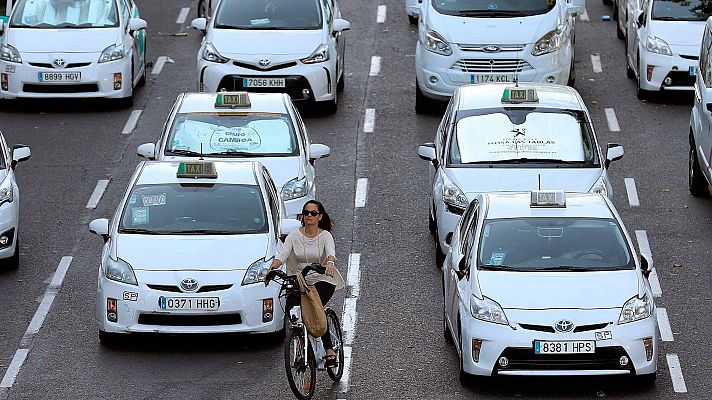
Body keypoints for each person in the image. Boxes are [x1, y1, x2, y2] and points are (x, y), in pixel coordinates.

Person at [271, 200, 344, 368]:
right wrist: (271, 269)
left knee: (314, 306)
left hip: (323, 278)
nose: (309, 216)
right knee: (291, 305)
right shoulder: (294, 236)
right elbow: (282, 254)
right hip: (300, 280)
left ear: (320, 217)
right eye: (306, 213)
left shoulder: (325, 235)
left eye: (313, 213)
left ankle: (329, 349)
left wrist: (330, 263)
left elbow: (331, 252)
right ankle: (302, 340)